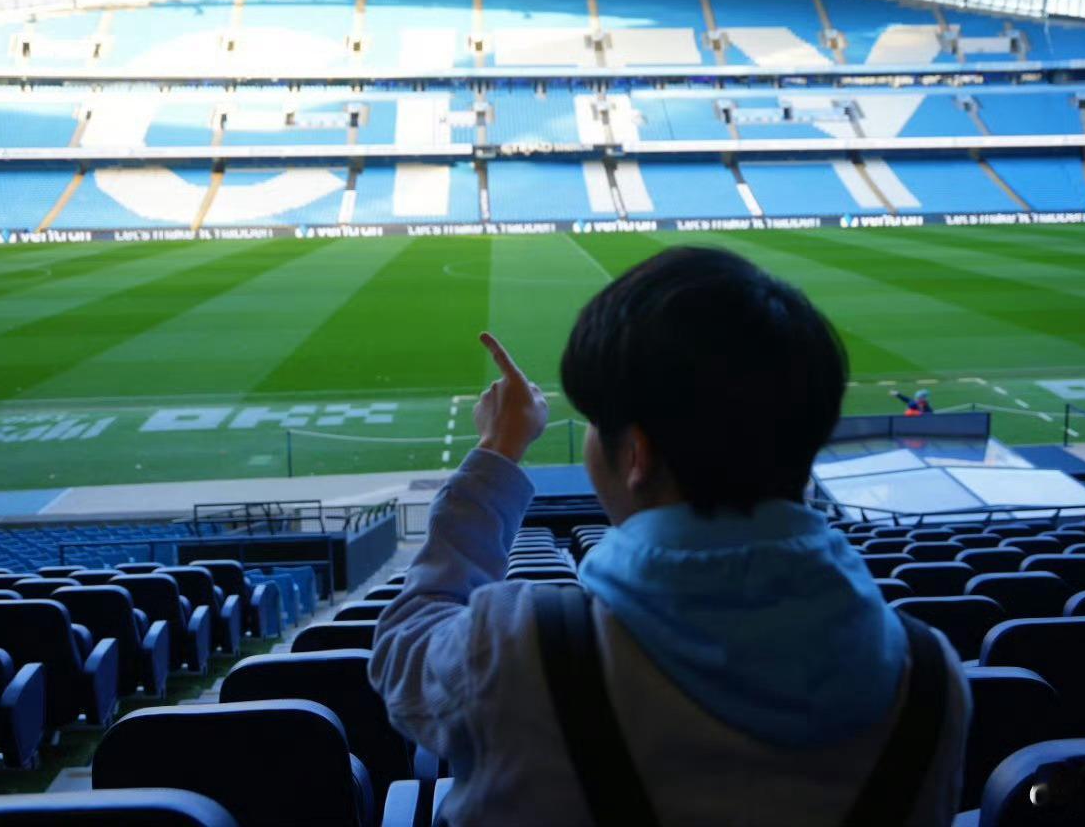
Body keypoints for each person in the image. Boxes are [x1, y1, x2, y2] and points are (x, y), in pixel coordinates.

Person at [370, 247, 969, 826]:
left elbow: (405, 646)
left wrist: (498, 449)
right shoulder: (933, 678)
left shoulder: (515, 650)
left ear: (637, 454)